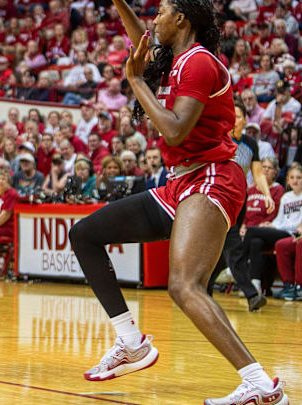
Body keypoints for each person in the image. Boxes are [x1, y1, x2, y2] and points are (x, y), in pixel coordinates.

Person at [68, 0, 288, 402]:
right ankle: (131, 342)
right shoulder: (175, 60)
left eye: (161, 12)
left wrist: (135, 81)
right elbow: (142, 41)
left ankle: (261, 386)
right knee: (85, 234)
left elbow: (174, 131)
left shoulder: (200, 63)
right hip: (180, 183)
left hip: (212, 177)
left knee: (185, 285)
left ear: (181, 18)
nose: (154, 19)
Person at [206, 101, 276, 312]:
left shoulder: (250, 144)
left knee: (222, 249)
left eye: (237, 116)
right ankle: (251, 294)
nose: (232, 119)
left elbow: (256, 173)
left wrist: (267, 193)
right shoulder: (218, 140)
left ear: (245, 120)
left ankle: (204, 289)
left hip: (240, 199)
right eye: (229, 114)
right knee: (234, 245)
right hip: (219, 198)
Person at [241, 166, 302, 300]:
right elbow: (279, 220)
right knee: (256, 241)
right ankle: (256, 283)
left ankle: (237, 265)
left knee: (251, 231)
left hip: (291, 233)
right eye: (292, 177)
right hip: (282, 230)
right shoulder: (286, 197)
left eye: (299, 178)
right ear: (287, 180)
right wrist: (270, 225)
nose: (295, 181)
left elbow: (296, 225)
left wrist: (277, 227)